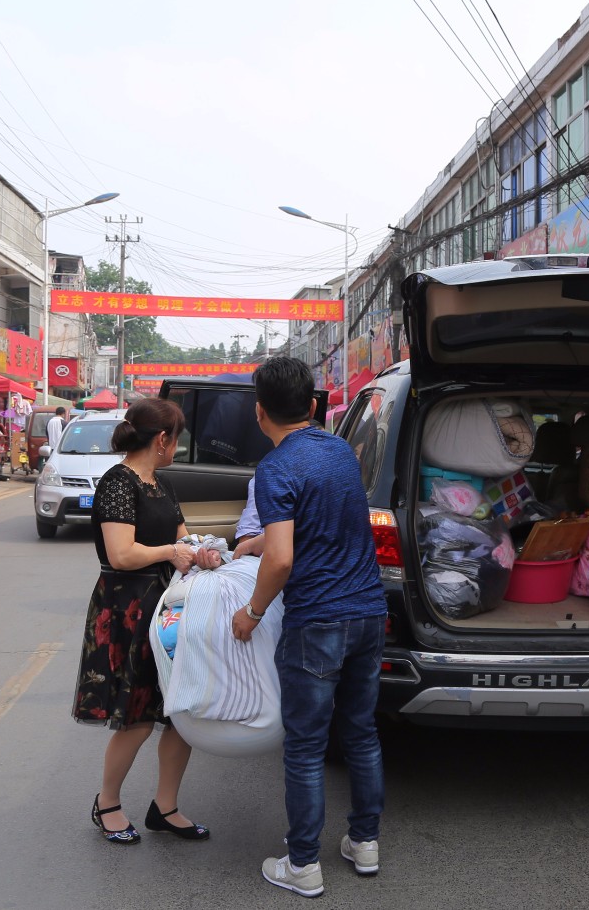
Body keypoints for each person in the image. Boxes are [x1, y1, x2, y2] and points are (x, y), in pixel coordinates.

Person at [230, 356, 385, 897]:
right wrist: (261, 543)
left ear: (259, 412)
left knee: (304, 746)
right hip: (369, 612)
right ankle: (364, 844)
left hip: (318, 619)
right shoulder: (340, 451)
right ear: (315, 406)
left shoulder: (275, 468)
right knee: (361, 733)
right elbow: (326, 525)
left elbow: (280, 561)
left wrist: (249, 613)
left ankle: (303, 865)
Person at [73, 398, 213, 846]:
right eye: (177, 440)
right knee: (134, 717)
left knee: (179, 712)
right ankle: (108, 803)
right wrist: (172, 554)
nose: (177, 448)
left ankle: (165, 807)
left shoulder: (162, 483)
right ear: (162, 440)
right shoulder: (118, 482)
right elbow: (122, 553)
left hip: (169, 606)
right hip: (127, 608)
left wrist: (201, 550)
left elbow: (182, 535)